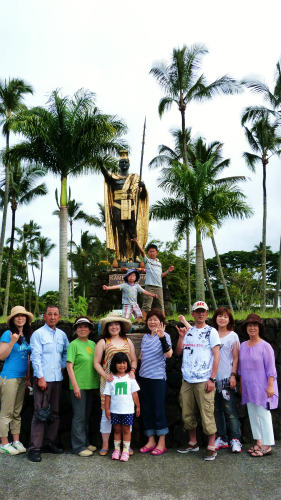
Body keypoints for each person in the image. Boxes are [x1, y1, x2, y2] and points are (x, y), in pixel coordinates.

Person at [176, 301, 220, 461]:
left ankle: (211, 446)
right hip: (187, 379)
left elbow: (217, 355)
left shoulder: (211, 332)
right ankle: (192, 442)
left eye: (203, 311)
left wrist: (212, 378)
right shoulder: (188, 331)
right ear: (193, 314)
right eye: (197, 311)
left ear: (207, 314)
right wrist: (181, 337)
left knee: (206, 412)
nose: (200, 314)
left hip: (204, 379)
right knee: (187, 412)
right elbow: (179, 351)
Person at [27, 305, 69, 462]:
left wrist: (63, 366)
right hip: (43, 379)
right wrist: (40, 377)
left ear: (59, 317)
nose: (52, 317)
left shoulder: (62, 335)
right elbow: (35, 357)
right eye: (49, 314)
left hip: (57, 379)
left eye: (55, 314)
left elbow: (66, 351)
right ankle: (34, 448)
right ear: (44, 316)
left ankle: (49, 443)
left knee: (55, 413)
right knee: (40, 413)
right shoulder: (38, 334)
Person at [93, 313, 137, 456]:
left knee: (126, 410)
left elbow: (134, 360)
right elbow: (96, 363)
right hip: (108, 382)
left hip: (125, 382)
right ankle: (106, 444)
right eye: (111, 324)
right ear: (107, 327)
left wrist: (132, 370)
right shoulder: (103, 342)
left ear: (121, 326)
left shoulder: (127, 341)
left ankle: (126, 445)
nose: (114, 327)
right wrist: (105, 374)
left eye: (116, 324)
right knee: (106, 413)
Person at [238, 313, 278, 457]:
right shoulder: (242, 346)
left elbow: (271, 370)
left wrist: (270, 386)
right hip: (249, 387)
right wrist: (242, 386)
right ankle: (259, 441)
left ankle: (267, 445)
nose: (252, 328)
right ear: (246, 328)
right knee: (253, 415)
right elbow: (241, 369)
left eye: (255, 325)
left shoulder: (265, 346)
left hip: (263, 387)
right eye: (249, 325)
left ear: (259, 328)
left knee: (263, 415)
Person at [101, 150, 149, 261]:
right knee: (121, 232)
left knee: (133, 233)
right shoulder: (114, 178)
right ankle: (122, 256)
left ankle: (135, 255)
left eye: (125, 162)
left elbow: (142, 196)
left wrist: (143, 186)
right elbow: (106, 176)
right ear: (119, 164)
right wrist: (101, 166)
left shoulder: (135, 178)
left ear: (129, 164)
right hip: (117, 206)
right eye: (121, 162)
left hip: (130, 206)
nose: (123, 164)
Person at [138, 309, 173, 456]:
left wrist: (162, 338)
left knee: (159, 410)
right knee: (147, 410)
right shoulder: (145, 337)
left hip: (158, 379)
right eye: (150, 320)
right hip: (144, 378)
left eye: (155, 320)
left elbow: (169, 354)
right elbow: (141, 356)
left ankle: (162, 442)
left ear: (161, 322)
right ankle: (151, 440)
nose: (152, 322)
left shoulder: (165, 336)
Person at [0, 306, 33, 455]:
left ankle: (16, 440)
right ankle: (4, 443)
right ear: (13, 319)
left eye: (23, 316)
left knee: (17, 412)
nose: (20, 318)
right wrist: (13, 341)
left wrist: (27, 378)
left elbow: (27, 358)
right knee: (6, 412)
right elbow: (1, 356)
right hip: (9, 377)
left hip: (21, 378)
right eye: (17, 316)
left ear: (26, 319)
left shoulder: (26, 335)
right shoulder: (8, 334)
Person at [66, 316, 99, 457]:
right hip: (78, 386)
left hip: (92, 385)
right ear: (76, 329)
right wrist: (75, 386)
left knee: (86, 416)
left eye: (85, 326)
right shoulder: (73, 344)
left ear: (90, 329)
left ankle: (85, 442)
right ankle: (78, 447)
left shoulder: (93, 344)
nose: (82, 329)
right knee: (79, 417)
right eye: (79, 327)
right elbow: (69, 366)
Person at [212, 307, 242, 453]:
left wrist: (233, 375)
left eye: (225, 317)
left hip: (226, 378)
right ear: (215, 318)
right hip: (213, 379)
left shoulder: (233, 336)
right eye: (219, 316)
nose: (222, 319)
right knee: (217, 411)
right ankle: (222, 437)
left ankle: (235, 439)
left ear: (229, 320)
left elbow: (236, 358)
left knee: (230, 411)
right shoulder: (211, 334)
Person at [104, 352, 140, 461]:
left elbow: (135, 394)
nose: (122, 365)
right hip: (115, 411)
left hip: (128, 411)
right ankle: (116, 450)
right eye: (119, 363)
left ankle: (125, 451)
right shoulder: (111, 379)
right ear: (114, 364)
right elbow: (107, 396)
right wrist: (107, 409)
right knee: (117, 430)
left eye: (124, 363)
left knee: (126, 430)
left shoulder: (130, 378)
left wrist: (138, 406)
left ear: (127, 364)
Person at [132, 239, 174, 320]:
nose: (152, 253)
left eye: (153, 251)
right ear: (148, 253)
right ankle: (143, 322)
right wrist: (137, 242)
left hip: (159, 287)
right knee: (147, 305)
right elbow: (142, 253)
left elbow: (160, 276)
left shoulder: (159, 263)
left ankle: (163, 322)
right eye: (150, 251)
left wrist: (168, 271)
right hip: (149, 286)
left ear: (156, 252)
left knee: (161, 305)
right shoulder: (147, 261)